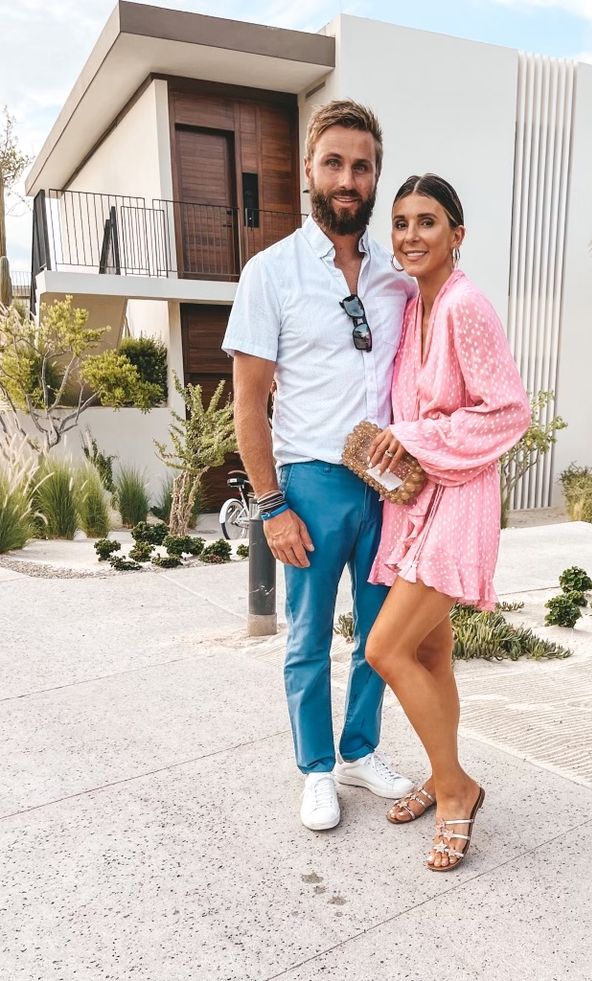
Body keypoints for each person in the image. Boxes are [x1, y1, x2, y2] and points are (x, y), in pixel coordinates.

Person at [222, 100, 415, 832]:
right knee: (306, 639)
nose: (347, 178)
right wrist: (271, 504)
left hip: (386, 486)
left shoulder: (396, 280)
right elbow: (248, 402)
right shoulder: (270, 273)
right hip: (310, 482)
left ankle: (360, 750)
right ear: (309, 170)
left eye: (361, 166)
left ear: (374, 178)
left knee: (378, 634)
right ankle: (314, 768)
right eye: (333, 162)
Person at [365, 174, 531, 871]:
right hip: (417, 502)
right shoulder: (415, 307)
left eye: (427, 222)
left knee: (384, 648)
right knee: (431, 653)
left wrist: (418, 439)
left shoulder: (464, 304)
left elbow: (509, 410)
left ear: (457, 234)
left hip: (458, 501)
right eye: (400, 223)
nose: (410, 236)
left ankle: (458, 789)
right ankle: (442, 771)